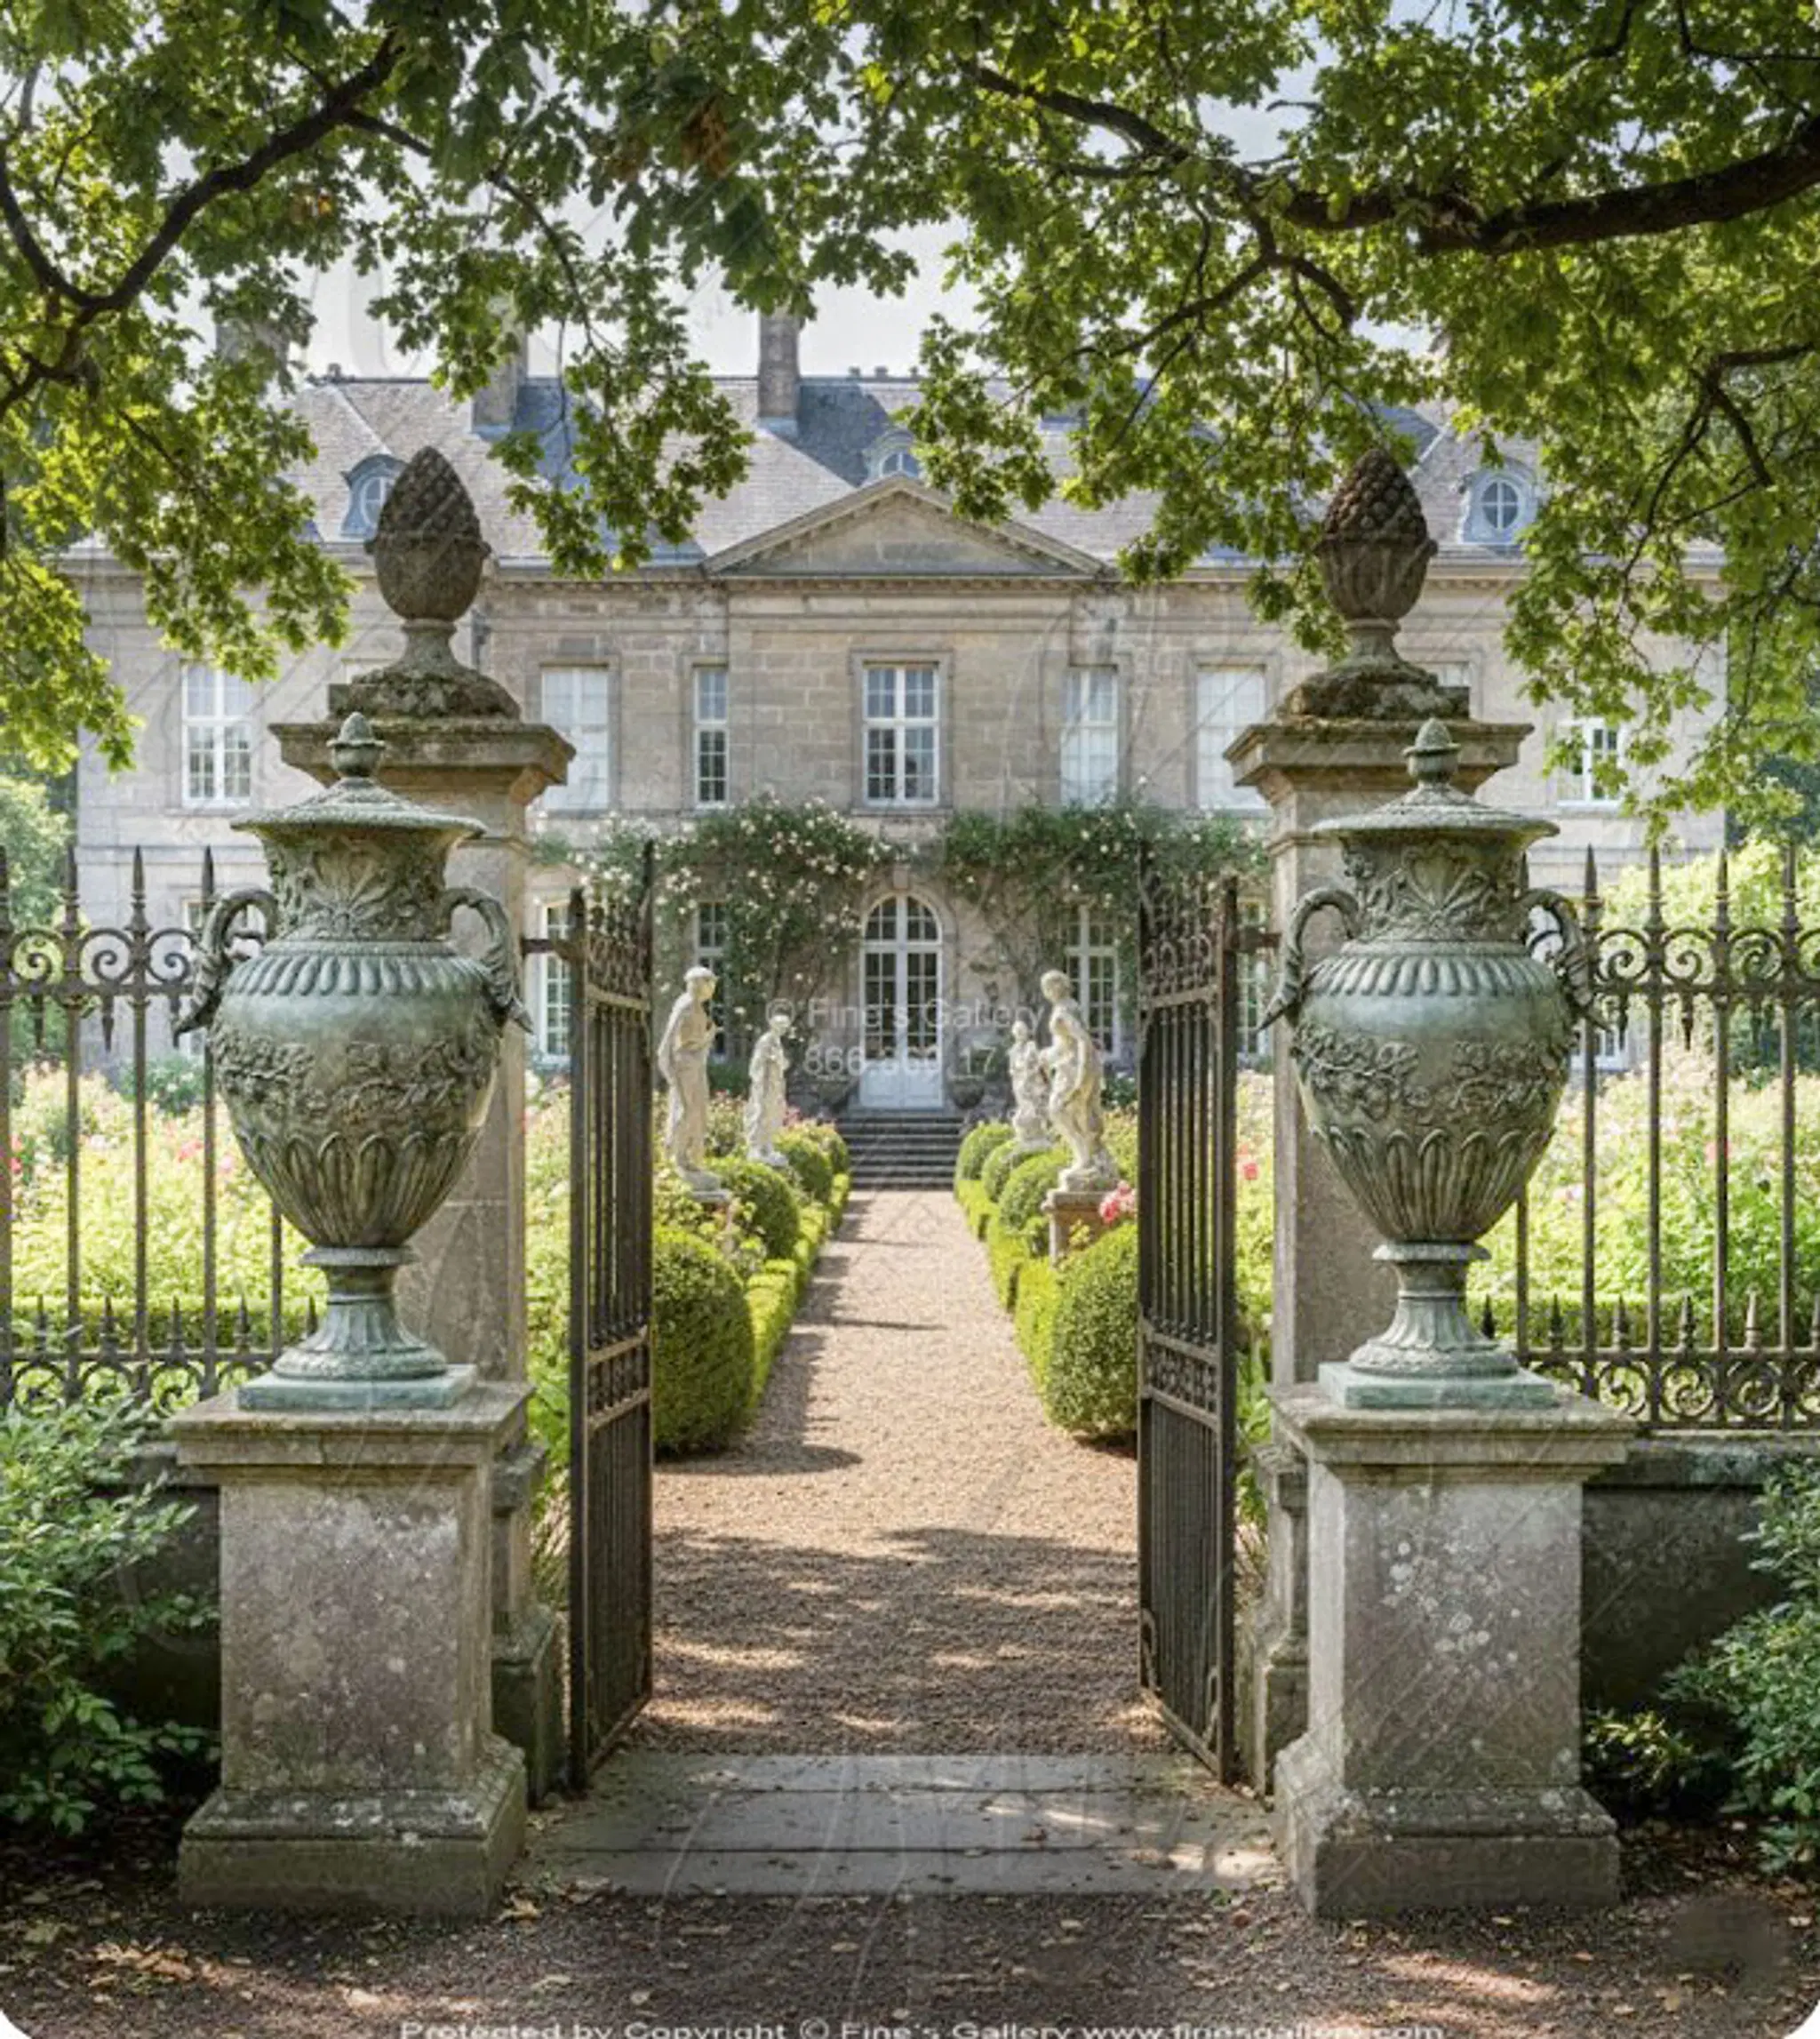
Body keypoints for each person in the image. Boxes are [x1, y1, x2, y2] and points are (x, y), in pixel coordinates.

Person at [1040, 968, 1118, 1191]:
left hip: (1073, 1067)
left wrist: (1083, 1072)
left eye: (1047, 987)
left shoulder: (1064, 1010)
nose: (1046, 992)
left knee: (1059, 1110)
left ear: (1056, 986)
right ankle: (1086, 1158)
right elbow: (1065, 1043)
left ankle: (1085, 1158)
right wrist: (1049, 1055)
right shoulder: (1067, 1006)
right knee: (1074, 1113)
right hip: (1067, 1064)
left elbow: (1082, 1040)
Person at [658, 965, 724, 1195]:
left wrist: (709, 1037)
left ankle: (686, 1157)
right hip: (684, 1065)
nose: (713, 988)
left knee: (697, 1112)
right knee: (684, 1110)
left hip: (695, 1064)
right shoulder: (685, 1004)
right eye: (710, 983)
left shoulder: (697, 1006)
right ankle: (676, 1158)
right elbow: (669, 1040)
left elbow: (696, 1043)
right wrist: (667, 1068)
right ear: (699, 983)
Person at [745, 1011, 792, 1167]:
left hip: (774, 1086)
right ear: (773, 1024)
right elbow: (756, 1064)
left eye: (785, 1026)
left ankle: (767, 1145)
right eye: (780, 1025)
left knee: (772, 1115)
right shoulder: (765, 1040)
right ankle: (756, 1147)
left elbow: (781, 1064)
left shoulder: (777, 1042)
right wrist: (761, 1078)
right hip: (765, 1085)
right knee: (761, 1114)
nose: (783, 1029)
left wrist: (781, 1062)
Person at [1007, 1017, 1051, 1152]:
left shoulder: (1031, 1046)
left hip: (1031, 1082)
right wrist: (1017, 1071)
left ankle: (1034, 1135)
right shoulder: (1014, 1049)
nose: (1020, 1034)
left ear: (1026, 1032)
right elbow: (1011, 1068)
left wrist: (1029, 1072)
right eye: (1017, 1031)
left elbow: (1037, 1065)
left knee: (1032, 1108)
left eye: (1022, 1031)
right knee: (1022, 1107)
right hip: (1019, 1082)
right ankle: (1025, 1136)